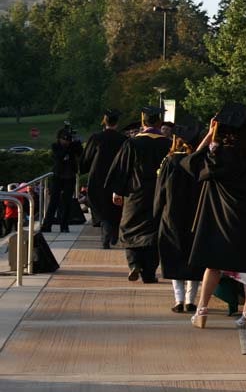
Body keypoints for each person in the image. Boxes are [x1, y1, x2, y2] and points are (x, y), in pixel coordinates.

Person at [180, 103, 246, 329]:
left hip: (222, 219)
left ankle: (202, 310)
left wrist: (208, 136)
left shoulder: (220, 155)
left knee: (214, 264)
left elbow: (190, 164)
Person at [106, 106, 172, 284]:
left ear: (143, 122)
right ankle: (149, 273)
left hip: (134, 194)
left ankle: (134, 263)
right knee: (154, 232)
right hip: (159, 194)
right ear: (159, 122)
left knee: (129, 228)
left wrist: (117, 191)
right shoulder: (168, 143)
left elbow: (122, 169)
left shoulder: (133, 143)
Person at [154, 125, 205, 313]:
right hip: (196, 216)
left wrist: (157, 212)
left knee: (174, 256)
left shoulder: (170, 161)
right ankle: (192, 300)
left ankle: (179, 299)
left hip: (172, 215)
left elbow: (160, 190)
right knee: (193, 257)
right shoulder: (200, 162)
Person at [79, 109, 127, 249]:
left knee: (101, 207)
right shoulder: (123, 140)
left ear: (104, 122)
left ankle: (106, 233)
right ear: (117, 123)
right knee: (115, 207)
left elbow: (86, 159)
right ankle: (113, 234)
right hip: (116, 177)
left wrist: (84, 168)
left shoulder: (96, 138)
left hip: (98, 178)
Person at [40, 127, 83, 233]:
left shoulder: (72, 146)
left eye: (68, 139)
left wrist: (76, 142)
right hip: (58, 176)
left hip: (70, 176)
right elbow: (59, 156)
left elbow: (80, 152)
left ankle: (64, 225)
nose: (66, 141)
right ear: (59, 139)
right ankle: (47, 225)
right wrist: (68, 149)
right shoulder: (56, 146)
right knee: (53, 202)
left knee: (67, 202)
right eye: (64, 139)